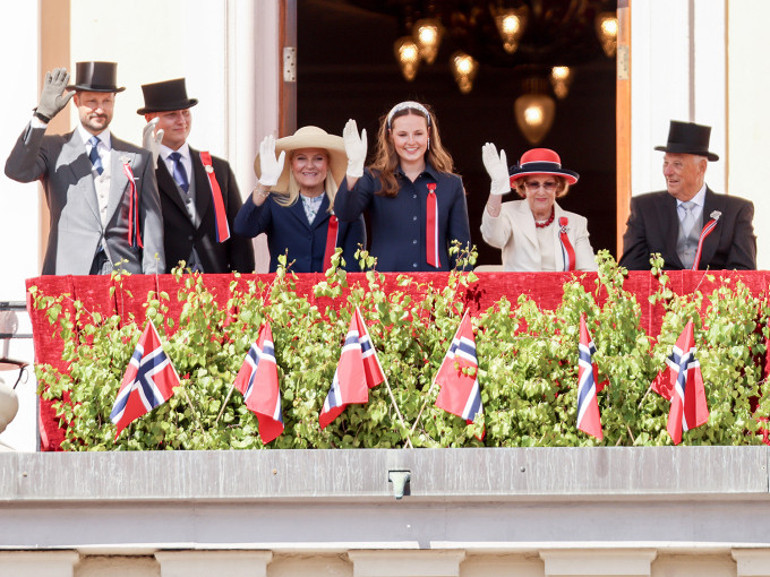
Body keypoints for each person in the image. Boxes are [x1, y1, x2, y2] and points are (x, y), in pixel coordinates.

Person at [5, 62, 164, 275]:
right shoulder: (53, 149)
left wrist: (153, 285)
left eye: (106, 101)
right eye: (91, 102)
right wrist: (41, 116)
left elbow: (152, 227)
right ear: (76, 101)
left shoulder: (138, 158)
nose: (99, 109)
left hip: (125, 275)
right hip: (69, 273)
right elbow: (17, 171)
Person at [334, 101, 472, 272]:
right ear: (391, 135)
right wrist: (353, 169)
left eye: (418, 133)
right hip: (384, 288)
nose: (411, 141)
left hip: (437, 291)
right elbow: (345, 213)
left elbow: (461, 250)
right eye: (403, 135)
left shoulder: (451, 184)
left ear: (428, 133)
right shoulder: (372, 178)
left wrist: (461, 293)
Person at [139, 78, 254, 274]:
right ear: (151, 119)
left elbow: (238, 237)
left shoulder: (218, 168)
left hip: (215, 281)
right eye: (172, 115)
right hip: (165, 284)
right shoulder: (139, 170)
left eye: (185, 113)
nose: (181, 121)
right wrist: (147, 166)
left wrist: (243, 282)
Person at [620, 120, 756, 270]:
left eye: (677, 164)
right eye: (666, 163)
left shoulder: (735, 211)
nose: (667, 172)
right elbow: (631, 272)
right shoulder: (645, 209)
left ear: (701, 167)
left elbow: (744, 275)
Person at [233, 126, 365, 272]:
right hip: (283, 293)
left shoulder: (346, 207)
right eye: (301, 158)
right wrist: (264, 185)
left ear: (328, 165)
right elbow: (243, 228)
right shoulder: (274, 202)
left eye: (318, 159)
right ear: (291, 164)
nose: (309, 165)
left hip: (330, 294)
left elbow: (354, 269)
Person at [479, 145, 597, 272]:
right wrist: (496, 190)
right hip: (519, 291)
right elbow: (493, 237)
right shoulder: (507, 212)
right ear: (523, 187)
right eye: (534, 184)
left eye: (549, 184)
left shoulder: (576, 223)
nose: (541, 192)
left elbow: (589, 271)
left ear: (558, 187)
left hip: (562, 291)